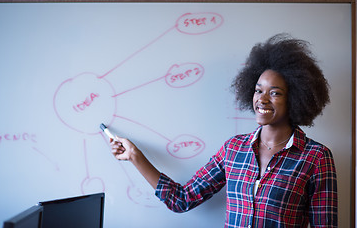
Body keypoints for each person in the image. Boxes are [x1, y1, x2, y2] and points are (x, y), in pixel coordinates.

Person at [110, 33, 338, 227]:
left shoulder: (316, 158)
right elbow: (182, 199)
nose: (262, 100)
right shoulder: (233, 149)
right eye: (258, 91)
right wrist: (135, 157)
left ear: (296, 98)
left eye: (275, 93)